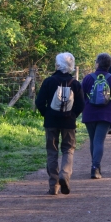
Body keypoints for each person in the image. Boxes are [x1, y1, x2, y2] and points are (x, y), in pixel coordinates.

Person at [35, 52, 85, 195]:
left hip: (51, 122)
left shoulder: (49, 81)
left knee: (52, 151)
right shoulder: (75, 84)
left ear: (57, 65)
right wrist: (72, 115)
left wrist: (47, 114)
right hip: (68, 122)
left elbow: (39, 102)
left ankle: (53, 186)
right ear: (71, 66)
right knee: (68, 149)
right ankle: (65, 174)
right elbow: (81, 104)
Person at [81, 53, 111, 179]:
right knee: (99, 140)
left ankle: (94, 165)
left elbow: (81, 96)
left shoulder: (88, 78)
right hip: (105, 114)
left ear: (97, 63)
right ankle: (96, 167)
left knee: (93, 140)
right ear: (109, 65)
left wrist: (85, 108)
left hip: (89, 113)